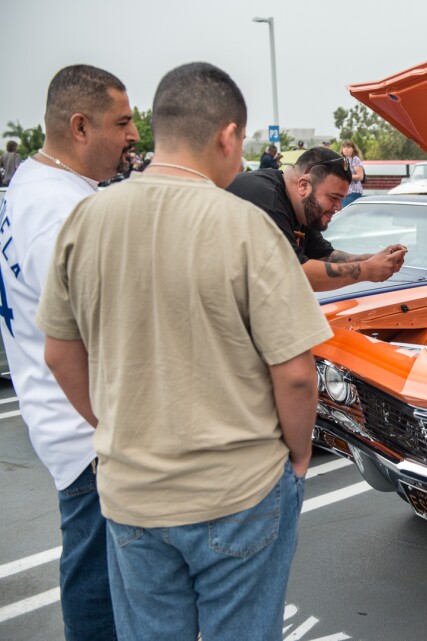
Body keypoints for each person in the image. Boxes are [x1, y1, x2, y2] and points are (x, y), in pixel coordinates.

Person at [36, 62, 331, 641]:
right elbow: (295, 374)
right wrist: (298, 459)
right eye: (240, 141)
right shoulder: (247, 228)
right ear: (227, 135)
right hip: (238, 489)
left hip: (131, 494)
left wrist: (114, 424)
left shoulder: (86, 219)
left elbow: (58, 354)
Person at [0, 63, 139, 641]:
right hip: (89, 435)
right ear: (80, 126)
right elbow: (79, 341)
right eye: (124, 122)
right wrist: (115, 429)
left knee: (99, 573)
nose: (135, 134)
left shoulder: (32, 184)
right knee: (101, 588)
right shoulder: (63, 213)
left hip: (64, 423)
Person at [227, 146, 406, 291]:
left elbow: (324, 256)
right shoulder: (267, 200)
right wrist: (367, 270)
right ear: (304, 185)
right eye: (333, 198)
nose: (338, 207)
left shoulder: (302, 207)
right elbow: (295, 275)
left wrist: (372, 259)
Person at [339, 138, 364, 207]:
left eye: (348, 147)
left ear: (353, 149)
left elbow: (360, 176)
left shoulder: (355, 159)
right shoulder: (342, 159)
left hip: (353, 192)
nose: (346, 149)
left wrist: (346, 175)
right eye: (344, 147)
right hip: (343, 192)